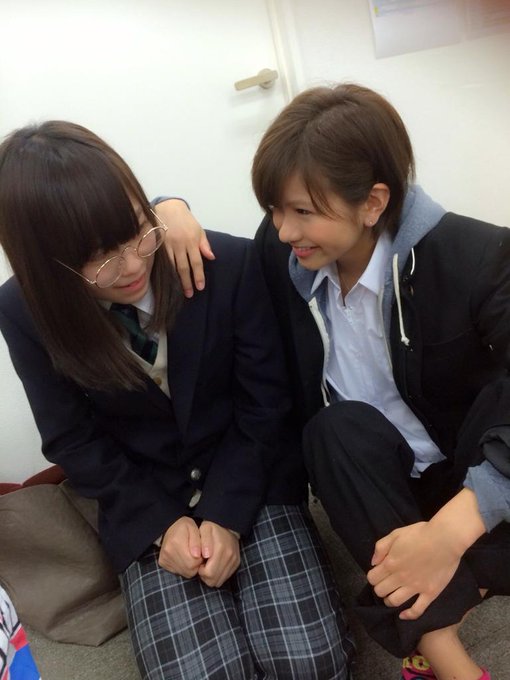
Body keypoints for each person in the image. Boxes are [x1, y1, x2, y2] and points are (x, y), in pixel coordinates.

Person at [155, 83, 510, 680]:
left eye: (302, 212)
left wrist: (449, 535)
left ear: (373, 203)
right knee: (332, 430)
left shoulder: (474, 254)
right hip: (380, 485)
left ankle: (455, 577)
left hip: (476, 478)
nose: (284, 230)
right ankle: (448, 657)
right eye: (274, 209)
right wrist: (166, 207)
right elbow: (209, 257)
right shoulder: (284, 257)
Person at [0, 121, 355, 680]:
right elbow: (72, 437)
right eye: (100, 259)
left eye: (137, 231)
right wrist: (162, 526)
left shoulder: (225, 262)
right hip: (147, 504)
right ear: (48, 269)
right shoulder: (24, 311)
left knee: (308, 660)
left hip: (253, 477)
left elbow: (266, 403)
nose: (132, 264)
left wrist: (226, 516)